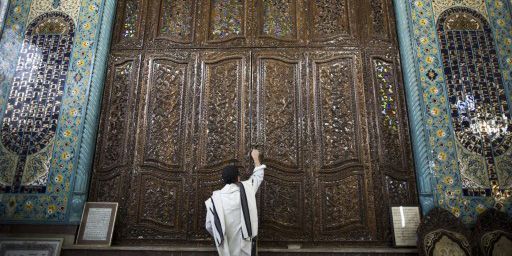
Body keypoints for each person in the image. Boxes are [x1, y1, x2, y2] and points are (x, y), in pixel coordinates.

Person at [205, 149, 265, 256]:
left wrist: (220, 235)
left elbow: (209, 225)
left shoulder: (214, 200)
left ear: (223, 179)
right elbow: (258, 177)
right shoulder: (246, 190)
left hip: (226, 246)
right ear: (238, 178)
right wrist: (256, 158)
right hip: (245, 247)